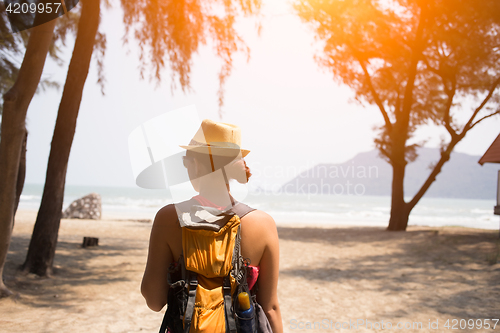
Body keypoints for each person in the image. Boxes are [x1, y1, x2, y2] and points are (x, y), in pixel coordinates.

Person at [141, 119, 283, 333]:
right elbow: (270, 307)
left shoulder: (168, 218)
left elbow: (154, 301)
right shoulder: (263, 224)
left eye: (185, 161)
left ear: (196, 164)